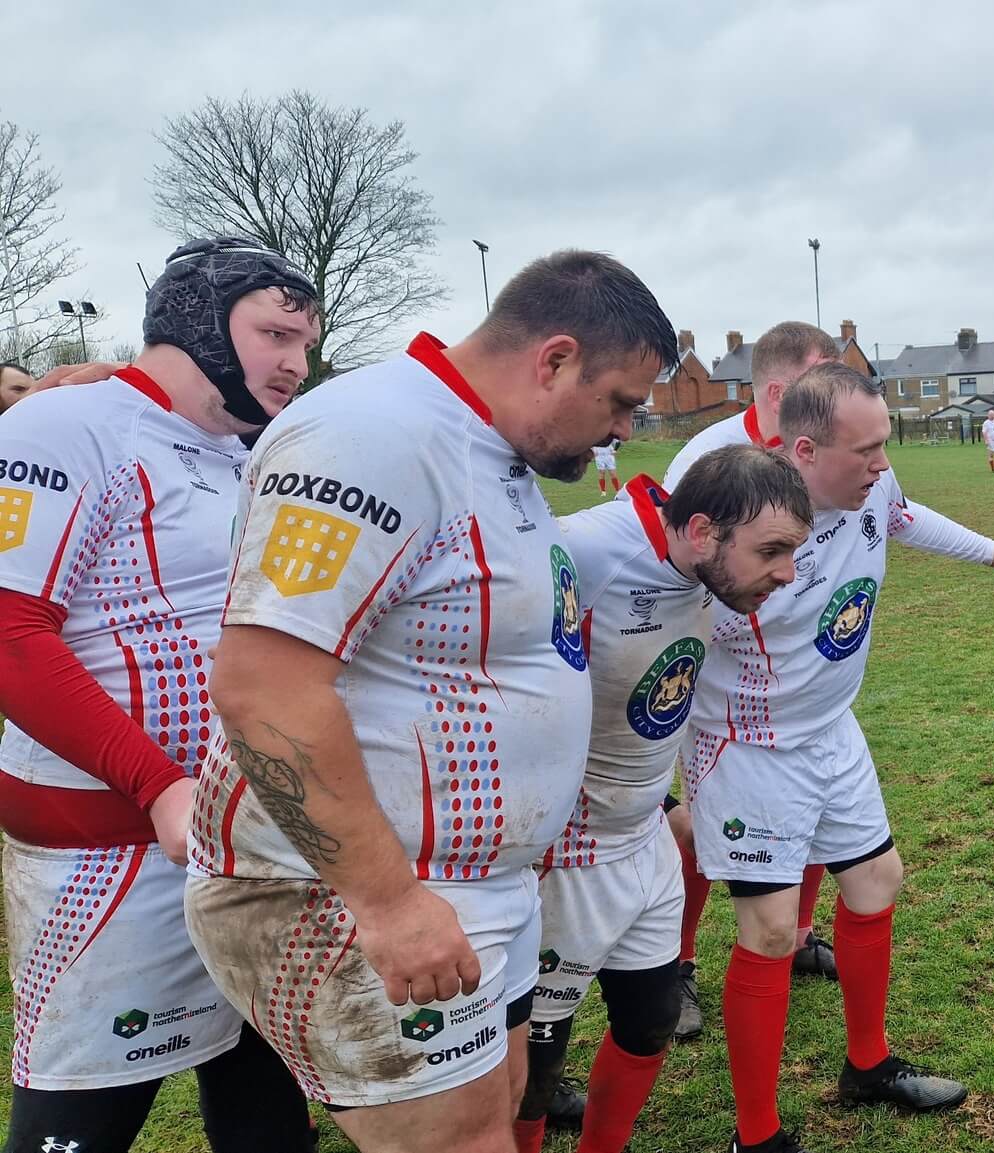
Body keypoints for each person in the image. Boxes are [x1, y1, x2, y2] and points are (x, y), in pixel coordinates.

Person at [187, 249, 677, 1153]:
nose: (618, 432)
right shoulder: (377, 434)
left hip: (475, 886)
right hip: (352, 893)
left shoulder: (494, 451)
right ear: (554, 358)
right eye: (617, 401)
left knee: (498, 1111)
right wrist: (388, 901)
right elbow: (265, 684)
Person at [0, 237, 322, 1153]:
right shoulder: (62, 426)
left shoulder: (237, 449)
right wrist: (156, 783)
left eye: (305, 339)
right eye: (274, 334)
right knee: (79, 1122)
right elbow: (11, 635)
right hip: (105, 855)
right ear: (194, 322)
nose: (295, 362)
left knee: (263, 1093)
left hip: (232, 834)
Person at [678, 361, 994, 1153]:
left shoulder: (872, 483)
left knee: (877, 881)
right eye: (866, 450)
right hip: (750, 744)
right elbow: (657, 617)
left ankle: (868, 1063)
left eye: (886, 444)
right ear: (804, 450)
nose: (882, 463)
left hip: (832, 729)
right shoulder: (736, 517)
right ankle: (758, 1135)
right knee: (773, 930)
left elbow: (905, 516)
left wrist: (993, 550)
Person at [513, 446, 812, 1153]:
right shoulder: (586, 550)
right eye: (771, 551)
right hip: (565, 846)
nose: (787, 573)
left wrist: (668, 798)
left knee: (649, 1022)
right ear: (703, 529)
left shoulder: (712, 567)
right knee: (536, 1061)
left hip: (644, 834)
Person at [659, 320, 846, 1043]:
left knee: (813, 812)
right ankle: (677, 965)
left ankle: (798, 935)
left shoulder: (824, 453)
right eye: (820, 383)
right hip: (721, 681)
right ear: (778, 392)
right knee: (710, 829)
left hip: (806, 668)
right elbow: (670, 557)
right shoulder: (707, 455)